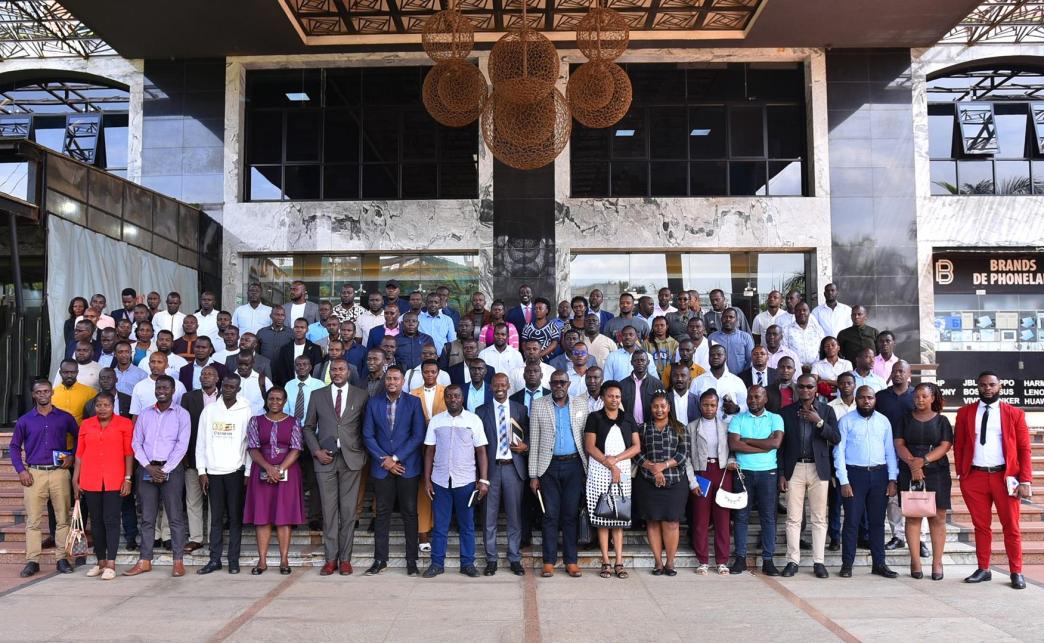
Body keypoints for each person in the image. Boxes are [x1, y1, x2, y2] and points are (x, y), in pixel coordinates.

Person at [953, 371, 1033, 590]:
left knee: (1012, 526)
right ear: (977, 387)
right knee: (981, 526)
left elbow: (1024, 449)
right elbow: (959, 445)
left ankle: (1016, 571)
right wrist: (962, 473)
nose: (987, 388)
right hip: (975, 477)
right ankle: (984, 568)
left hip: (1005, 478)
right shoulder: (965, 413)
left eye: (991, 385)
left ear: (1000, 387)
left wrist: (1025, 480)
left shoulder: (1014, 413)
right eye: (983, 385)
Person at [302, 358, 368, 576]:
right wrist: (316, 451)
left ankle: (346, 559)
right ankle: (331, 559)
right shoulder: (318, 395)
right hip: (325, 459)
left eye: (341, 369)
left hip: (351, 460)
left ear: (348, 372)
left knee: (348, 512)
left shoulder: (361, 395)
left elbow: (366, 428)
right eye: (334, 370)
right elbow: (308, 427)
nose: (337, 372)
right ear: (329, 373)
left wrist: (363, 453)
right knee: (329, 512)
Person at [362, 365, 426, 577]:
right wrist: (385, 460)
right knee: (382, 514)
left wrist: (396, 459)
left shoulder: (414, 402)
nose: (391, 382)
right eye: (388, 378)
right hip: (382, 468)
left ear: (402, 382)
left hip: (406, 467)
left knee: (409, 512)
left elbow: (418, 436)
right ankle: (380, 559)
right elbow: (368, 435)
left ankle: (411, 561)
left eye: (396, 379)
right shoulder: (373, 402)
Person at [11, 379, 79, 578]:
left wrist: (72, 455)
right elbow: (14, 447)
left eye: (46, 391)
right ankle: (33, 561)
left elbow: (78, 437)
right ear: (33, 395)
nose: (43, 395)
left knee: (62, 518)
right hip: (34, 473)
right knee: (33, 520)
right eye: (39, 392)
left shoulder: (64, 418)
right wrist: (21, 470)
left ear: (52, 393)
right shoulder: (25, 420)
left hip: (59, 473)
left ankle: (62, 558)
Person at [124, 376, 191, 578]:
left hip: (172, 469)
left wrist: (165, 469)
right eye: (158, 387)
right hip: (147, 468)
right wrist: (148, 467)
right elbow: (137, 443)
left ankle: (178, 561)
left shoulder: (182, 414)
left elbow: (182, 445)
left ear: (173, 390)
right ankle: (145, 561)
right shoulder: (145, 414)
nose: (161, 390)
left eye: (165, 387)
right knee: (147, 518)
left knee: (175, 518)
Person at [421, 385, 489, 578]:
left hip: (466, 481)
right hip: (440, 481)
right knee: (440, 525)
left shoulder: (473, 420)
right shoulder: (436, 421)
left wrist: (483, 480)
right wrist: (427, 480)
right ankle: (436, 564)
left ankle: (467, 564)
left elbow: (481, 451)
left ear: (462, 398)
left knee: (467, 525)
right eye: (449, 396)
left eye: (457, 396)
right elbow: (429, 452)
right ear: (445, 398)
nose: (453, 399)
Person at [777, 374, 840, 579]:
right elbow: (781, 446)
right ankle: (792, 560)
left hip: (818, 468)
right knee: (793, 518)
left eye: (809, 387)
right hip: (794, 468)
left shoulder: (827, 410)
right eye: (802, 387)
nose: (805, 390)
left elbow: (836, 438)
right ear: (797, 388)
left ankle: (818, 562)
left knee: (819, 518)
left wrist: (819, 422)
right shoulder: (786, 412)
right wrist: (781, 474)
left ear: (816, 389)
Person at [528, 370, 590, 577]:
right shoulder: (539, 404)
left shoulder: (581, 404)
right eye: (555, 383)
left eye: (562, 382)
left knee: (570, 515)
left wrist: (587, 469)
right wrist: (533, 475)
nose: (558, 386)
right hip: (549, 467)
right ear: (550, 384)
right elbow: (534, 440)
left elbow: (586, 437)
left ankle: (571, 561)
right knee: (550, 515)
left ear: (569, 384)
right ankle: (549, 561)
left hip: (574, 466)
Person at [835, 385, 899, 579]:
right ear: (856, 399)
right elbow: (839, 452)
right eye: (862, 398)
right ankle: (847, 564)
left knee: (877, 523)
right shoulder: (846, 421)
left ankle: (879, 564)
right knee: (852, 522)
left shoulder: (883, 421)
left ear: (875, 399)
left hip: (879, 476)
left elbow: (890, 451)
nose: (866, 401)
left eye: (870, 397)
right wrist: (844, 481)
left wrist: (892, 479)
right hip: (854, 476)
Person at [195, 373, 253, 575]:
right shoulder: (210, 410)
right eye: (226, 386)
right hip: (213, 472)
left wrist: (247, 470)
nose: (228, 389)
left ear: (238, 389)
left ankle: (233, 560)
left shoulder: (246, 411)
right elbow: (201, 442)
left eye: (232, 387)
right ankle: (214, 559)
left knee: (235, 518)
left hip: (236, 472)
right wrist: (202, 471)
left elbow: (249, 444)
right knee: (216, 519)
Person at [581, 381, 640, 579]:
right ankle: (605, 561)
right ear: (603, 397)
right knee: (603, 517)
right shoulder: (594, 417)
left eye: (617, 396)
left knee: (619, 517)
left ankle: (619, 561)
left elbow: (636, 447)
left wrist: (616, 460)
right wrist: (610, 464)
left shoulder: (628, 418)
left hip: (621, 469)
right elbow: (590, 446)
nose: (614, 400)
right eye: (610, 396)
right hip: (599, 470)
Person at [242, 386, 305, 574]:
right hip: (261, 471)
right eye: (271, 399)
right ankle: (262, 561)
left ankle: (284, 560)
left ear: (285, 401)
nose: (275, 402)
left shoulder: (294, 422)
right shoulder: (256, 421)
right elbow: (253, 448)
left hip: (288, 472)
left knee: (284, 517)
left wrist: (280, 469)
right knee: (262, 518)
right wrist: (269, 468)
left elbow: (296, 448)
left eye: (279, 399)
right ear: (266, 400)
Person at [894, 382, 953, 581]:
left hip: (937, 471)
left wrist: (924, 461)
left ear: (932, 398)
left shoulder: (942, 420)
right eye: (917, 396)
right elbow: (899, 443)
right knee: (913, 516)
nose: (919, 400)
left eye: (924, 396)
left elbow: (945, 445)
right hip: (909, 469)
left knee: (937, 517)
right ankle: (915, 561)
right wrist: (913, 464)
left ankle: (937, 562)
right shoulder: (904, 419)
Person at [476, 373, 530, 576]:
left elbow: (530, 436)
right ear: (490, 387)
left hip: (513, 469)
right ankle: (491, 559)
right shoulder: (481, 411)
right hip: (490, 470)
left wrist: (526, 447)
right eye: (496, 384)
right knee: (489, 517)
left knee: (514, 517)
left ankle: (514, 558)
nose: (500, 387)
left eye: (503, 384)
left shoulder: (520, 409)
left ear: (508, 386)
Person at [727, 386, 783, 575]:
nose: (753, 400)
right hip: (744, 474)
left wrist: (748, 440)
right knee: (741, 517)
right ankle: (740, 558)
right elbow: (734, 444)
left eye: (757, 396)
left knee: (768, 517)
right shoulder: (738, 419)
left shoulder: (775, 418)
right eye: (750, 397)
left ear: (765, 398)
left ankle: (768, 560)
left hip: (768, 473)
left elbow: (775, 443)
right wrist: (763, 446)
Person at [633, 390, 689, 576]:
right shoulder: (643, 428)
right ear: (651, 408)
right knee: (653, 522)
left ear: (669, 408)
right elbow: (637, 452)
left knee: (672, 522)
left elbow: (682, 454)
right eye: (655, 406)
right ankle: (658, 562)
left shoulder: (680, 428)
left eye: (662, 406)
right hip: (648, 482)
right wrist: (651, 467)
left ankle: (670, 562)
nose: (659, 410)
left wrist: (662, 467)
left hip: (674, 482)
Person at [875, 360, 924, 555]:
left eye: (901, 371)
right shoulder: (881, 397)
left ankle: (920, 539)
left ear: (909, 374)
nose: (897, 374)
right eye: (895, 371)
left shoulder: (916, 396)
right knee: (892, 497)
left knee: (917, 496)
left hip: (912, 454)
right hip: (887, 453)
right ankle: (898, 535)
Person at [684, 389, 734, 575]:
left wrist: (730, 462)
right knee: (700, 519)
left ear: (718, 405)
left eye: (713, 405)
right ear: (699, 405)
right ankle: (703, 560)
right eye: (705, 404)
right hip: (701, 473)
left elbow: (732, 451)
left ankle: (722, 561)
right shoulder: (691, 427)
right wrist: (692, 481)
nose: (709, 408)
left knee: (722, 518)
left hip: (722, 473)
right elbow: (687, 457)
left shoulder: (726, 426)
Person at [179, 364, 220, 555]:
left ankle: (214, 538)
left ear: (217, 378)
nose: (206, 377)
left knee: (215, 502)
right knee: (193, 500)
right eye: (203, 374)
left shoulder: (225, 397)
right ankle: (196, 538)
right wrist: (185, 456)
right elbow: (183, 428)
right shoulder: (189, 397)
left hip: (218, 459)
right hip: (193, 457)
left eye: (210, 374)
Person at [691, 345, 747, 420]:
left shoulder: (737, 381)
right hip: (705, 428)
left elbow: (746, 405)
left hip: (730, 428)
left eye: (719, 354)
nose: (715, 357)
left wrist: (737, 408)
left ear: (725, 357)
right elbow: (692, 407)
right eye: (712, 355)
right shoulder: (697, 381)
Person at [275, 318, 324, 387]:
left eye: (302, 327)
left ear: (307, 330)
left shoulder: (315, 349)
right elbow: (281, 371)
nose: (299, 330)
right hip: (290, 387)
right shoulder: (285, 349)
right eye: (296, 327)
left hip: (310, 387)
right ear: (293, 329)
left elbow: (317, 371)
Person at [619, 350, 661, 426]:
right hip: (628, 428)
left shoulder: (657, 384)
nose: (639, 363)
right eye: (636, 360)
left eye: (642, 360)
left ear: (648, 362)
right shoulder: (622, 385)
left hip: (650, 428)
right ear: (631, 363)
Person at [709, 308, 754, 375]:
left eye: (731, 317)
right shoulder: (712, 337)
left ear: (736, 320)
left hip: (740, 378)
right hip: (718, 377)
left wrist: (743, 376)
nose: (728, 319)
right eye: (725, 317)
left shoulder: (745, 337)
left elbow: (750, 360)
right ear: (721, 319)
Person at [52, 359, 96, 425]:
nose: (69, 375)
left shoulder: (90, 393)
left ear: (77, 372)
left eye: (73, 372)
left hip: (80, 434)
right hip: (57, 434)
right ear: (60, 372)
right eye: (66, 372)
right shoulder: (52, 393)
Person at [783, 301, 825, 367]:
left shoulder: (817, 329)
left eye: (804, 310)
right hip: (795, 369)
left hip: (817, 368)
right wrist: (800, 366)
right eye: (798, 310)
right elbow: (785, 351)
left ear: (809, 312)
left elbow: (822, 348)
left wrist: (815, 366)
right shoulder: (786, 330)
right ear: (794, 313)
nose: (802, 312)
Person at [521, 297, 560, 362]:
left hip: (548, 361)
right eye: (536, 308)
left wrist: (539, 355)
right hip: (530, 361)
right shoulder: (527, 326)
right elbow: (523, 343)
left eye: (540, 308)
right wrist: (529, 355)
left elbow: (554, 344)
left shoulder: (553, 326)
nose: (537, 310)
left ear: (547, 310)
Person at [419, 292, 457, 357]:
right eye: (430, 302)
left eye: (436, 302)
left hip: (442, 357)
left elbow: (452, 341)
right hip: (424, 357)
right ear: (426, 304)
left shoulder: (448, 320)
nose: (433, 304)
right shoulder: (418, 319)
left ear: (439, 304)